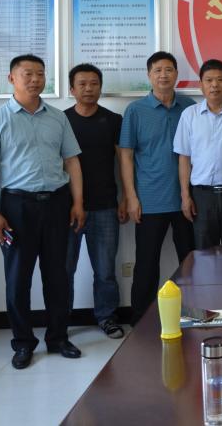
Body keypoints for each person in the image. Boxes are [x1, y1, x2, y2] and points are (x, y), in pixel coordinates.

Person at [0, 54, 86, 369]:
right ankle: (23, 343)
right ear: (12, 78)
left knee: (58, 276)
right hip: (17, 208)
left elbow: (72, 161)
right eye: (28, 74)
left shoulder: (57, 118)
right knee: (17, 279)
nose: (35, 79)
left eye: (40, 74)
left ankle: (58, 338)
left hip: (58, 204)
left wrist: (77, 202)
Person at [119, 51, 196, 324]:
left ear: (176, 74)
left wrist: (189, 195)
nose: (163, 75)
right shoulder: (135, 110)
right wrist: (131, 197)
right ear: (149, 75)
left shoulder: (189, 107)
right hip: (149, 200)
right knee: (146, 263)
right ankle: (141, 319)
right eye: (157, 70)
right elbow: (126, 155)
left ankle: (192, 312)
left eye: (169, 69)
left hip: (186, 199)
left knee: (190, 261)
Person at [64, 63, 126, 340]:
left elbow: (123, 161)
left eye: (94, 83)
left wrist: (126, 198)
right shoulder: (60, 120)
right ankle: (60, 321)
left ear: (100, 87)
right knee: (64, 269)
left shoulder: (113, 121)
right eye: (82, 84)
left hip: (105, 206)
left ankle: (107, 317)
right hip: (66, 209)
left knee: (105, 270)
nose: (88, 89)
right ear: (71, 89)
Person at [173, 59, 222, 249]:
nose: (214, 85)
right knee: (204, 253)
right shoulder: (189, 115)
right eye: (208, 80)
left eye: (220, 79)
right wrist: (185, 196)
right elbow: (184, 158)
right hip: (202, 196)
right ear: (201, 85)